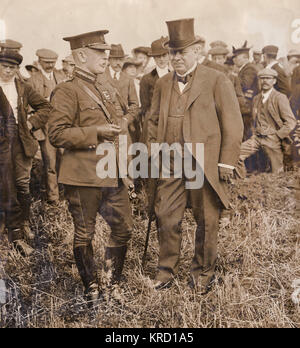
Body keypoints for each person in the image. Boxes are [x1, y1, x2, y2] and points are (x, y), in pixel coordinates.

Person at [147, 18, 243, 293]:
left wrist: (226, 161)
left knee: (207, 221)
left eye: (182, 52)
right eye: (173, 53)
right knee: (165, 216)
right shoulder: (163, 84)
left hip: (205, 163)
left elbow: (233, 124)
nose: (176, 58)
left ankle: (202, 274)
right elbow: (152, 123)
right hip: (171, 163)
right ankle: (166, 271)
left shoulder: (216, 79)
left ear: (197, 52)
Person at [48, 30, 133, 302]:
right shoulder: (66, 90)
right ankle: (91, 286)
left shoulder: (107, 87)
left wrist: (126, 167)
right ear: (82, 55)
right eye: (100, 52)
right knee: (85, 233)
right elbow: (57, 134)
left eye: (106, 51)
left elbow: (120, 127)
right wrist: (95, 132)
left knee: (123, 228)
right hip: (83, 176)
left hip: (112, 172)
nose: (106, 56)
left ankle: (111, 280)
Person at [0, 49, 51, 247]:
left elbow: (45, 107)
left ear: (17, 69)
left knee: (22, 183)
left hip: (21, 142)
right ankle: (7, 225)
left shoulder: (23, 86)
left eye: (12, 68)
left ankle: (24, 222)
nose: (7, 71)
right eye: (4, 67)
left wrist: (30, 123)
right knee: (4, 183)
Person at [238, 68, 296, 174]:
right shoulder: (256, 98)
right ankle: (241, 182)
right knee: (236, 154)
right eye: (262, 78)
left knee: (277, 172)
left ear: (274, 81)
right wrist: (254, 134)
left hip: (273, 139)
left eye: (268, 78)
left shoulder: (279, 98)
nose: (264, 81)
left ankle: (277, 188)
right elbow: (254, 120)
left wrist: (277, 136)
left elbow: (291, 122)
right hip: (256, 139)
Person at [28, 49, 65, 205]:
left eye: (52, 62)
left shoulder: (61, 77)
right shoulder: (32, 80)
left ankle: (67, 194)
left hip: (62, 125)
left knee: (65, 160)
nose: (50, 65)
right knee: (50, 163)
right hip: (45, 127)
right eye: (47, 62)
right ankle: (53, 198)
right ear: (39, 61)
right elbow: (29, 107)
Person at [140, 36, 170, 142]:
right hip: (153, 122)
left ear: (169, 55)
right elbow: (145, 106)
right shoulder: (146, 79)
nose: (161, 59)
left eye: (164, 55)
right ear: (153, 58)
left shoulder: (176, 76)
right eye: (158, 56)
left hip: (171, 122)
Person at [233, 41, 259, 141]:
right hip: (245, 106)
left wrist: (233, 77)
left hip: (247, 106)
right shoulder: (244, 68)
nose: (235, 60)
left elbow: (244, 85)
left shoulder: (249, 69)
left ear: (245, 57)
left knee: (246, 134)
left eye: (237, 57)